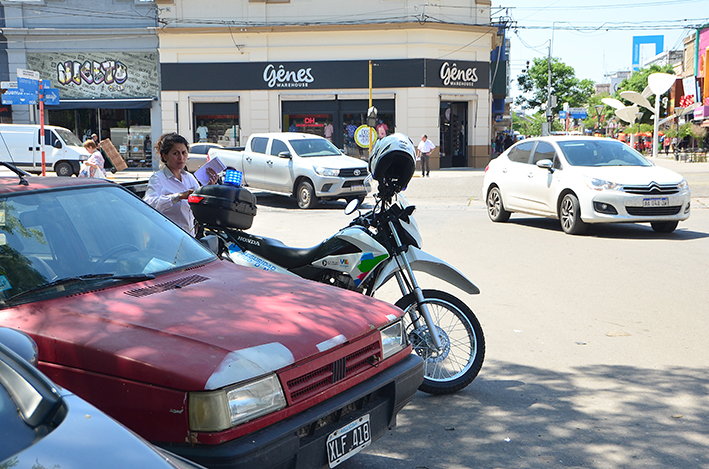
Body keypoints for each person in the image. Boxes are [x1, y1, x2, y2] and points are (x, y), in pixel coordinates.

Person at [143, 133, 218, 236]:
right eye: (175, 153)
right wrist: (178, 197)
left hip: (188, 238)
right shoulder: (158, 179)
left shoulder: (189, 178)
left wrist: (208, 187)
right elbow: (148, 204)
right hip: (167, 238)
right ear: (165, 156)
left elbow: (199, 202)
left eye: (184, 153)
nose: (181, 157)